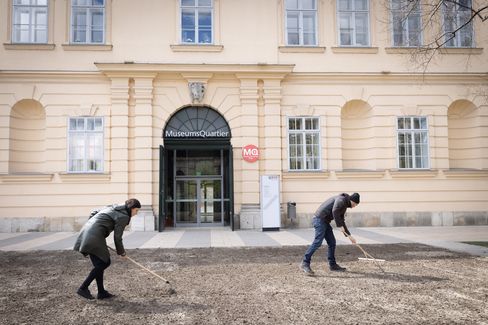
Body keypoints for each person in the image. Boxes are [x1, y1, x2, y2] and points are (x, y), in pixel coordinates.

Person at [73, 198, 141, 300]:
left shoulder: (113, 207)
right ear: (131, 208)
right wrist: (121, 252)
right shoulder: (124, 216)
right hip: (94, 236)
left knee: (99, 264)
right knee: (104, 262)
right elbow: (117, 237)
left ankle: (101, 292)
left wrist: (92, 226)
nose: (136, 213)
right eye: (136, 210)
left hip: (88, 231)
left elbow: (94, 212)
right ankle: (83, 288)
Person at [300, 193, 360, 275]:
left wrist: (349, 236)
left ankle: (333, 265)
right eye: (355, 204)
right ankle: (305, 263)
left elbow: (341, 220)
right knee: (318, 242)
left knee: (332, 242)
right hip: (319, 220)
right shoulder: (341, 200)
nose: (354, 206)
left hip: (324, 222)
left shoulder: (344, 204)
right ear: (352, 201)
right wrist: (339, 226)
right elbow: (335, 211)